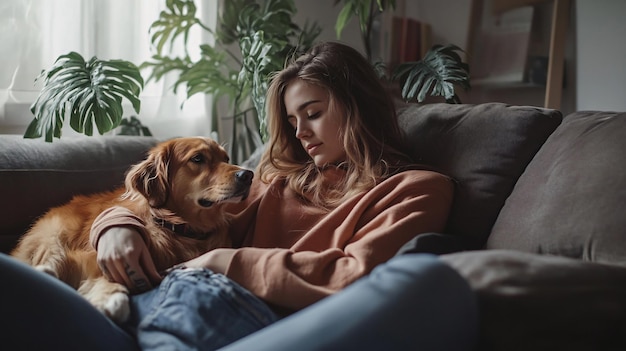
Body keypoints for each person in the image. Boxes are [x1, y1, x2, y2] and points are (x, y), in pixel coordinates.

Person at [0, 41, 477, 351]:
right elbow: (173, 207)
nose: (301, 133)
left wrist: (223, 263)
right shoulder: (279, 180)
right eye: (292, 121)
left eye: (312, 113)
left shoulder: (417, 189)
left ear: (358, 107)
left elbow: (356, 276)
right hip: (155, 292)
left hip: (227, 302)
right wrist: (114, 226)